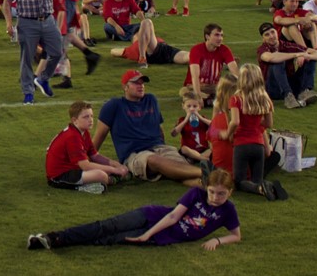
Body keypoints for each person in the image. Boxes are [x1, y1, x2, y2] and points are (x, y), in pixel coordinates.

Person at [26, 168, 241, 251]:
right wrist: (147, 234)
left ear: (230, 193)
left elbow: (236, 235)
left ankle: (54, 242)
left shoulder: (228, 210)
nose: (215, 197)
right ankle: (55, 237)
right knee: (107, 226)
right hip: (152, 216)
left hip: (163, 236)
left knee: (109, 239)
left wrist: (217, 240)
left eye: (221, 194)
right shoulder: (196, 194)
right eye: (212, 192)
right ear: (206, 188)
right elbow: (174, 215)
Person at [89, 71, 206, 185]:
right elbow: (99, 136)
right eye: (136, 83)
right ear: (125, 86)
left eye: (142, 83)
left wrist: (164, 149)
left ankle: (208, 183)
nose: (141, 86)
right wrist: (87, 161)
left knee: (181, 170)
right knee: (155, 160)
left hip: (159, 147)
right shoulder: (113, 106)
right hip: (134, 154)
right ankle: (207, 173)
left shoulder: (151, 100)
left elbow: (159, 129)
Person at [2, 0, 66, 104]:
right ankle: (28, 93)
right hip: (27, 22)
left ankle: (43, 79)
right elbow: (6, 3)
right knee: (27, 58)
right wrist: (9, 23)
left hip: (48, 19)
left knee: (57, 52)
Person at [219, 63, 287, 201]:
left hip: (242, 144)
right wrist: (255, 122)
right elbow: (269, 123)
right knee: (257, 178)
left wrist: (227, 133)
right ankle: (267, 187)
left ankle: (260, 189)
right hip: (259, 145)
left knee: (238, 181)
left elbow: (235, 121)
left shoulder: (236, 99)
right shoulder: (265, 98)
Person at [45, 101, 129, 193]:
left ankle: (112, 178)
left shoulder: (83, 131)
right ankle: (110, 180)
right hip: (59, 176)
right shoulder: (72, 137)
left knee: (107, 168)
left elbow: (95, 156)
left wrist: (116, 164)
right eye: (86, 117)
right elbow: (86, 166)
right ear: (74, 120)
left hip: (72, 169)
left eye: (91, 116)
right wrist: (115, 170)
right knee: (101, 175)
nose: (90, 120)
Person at [184, 23, 236, 103]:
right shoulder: (196, 50)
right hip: (195, 85)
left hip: (214, 86)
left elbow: (235, 71)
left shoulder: (224, 49)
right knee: (186, 92)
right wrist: (198, 95)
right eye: (217, 35)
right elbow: (195, 76)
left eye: (221, 35)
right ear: (207, 36)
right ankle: (214, 99)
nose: (220, 38)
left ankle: (211, 100)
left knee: (230, 87)